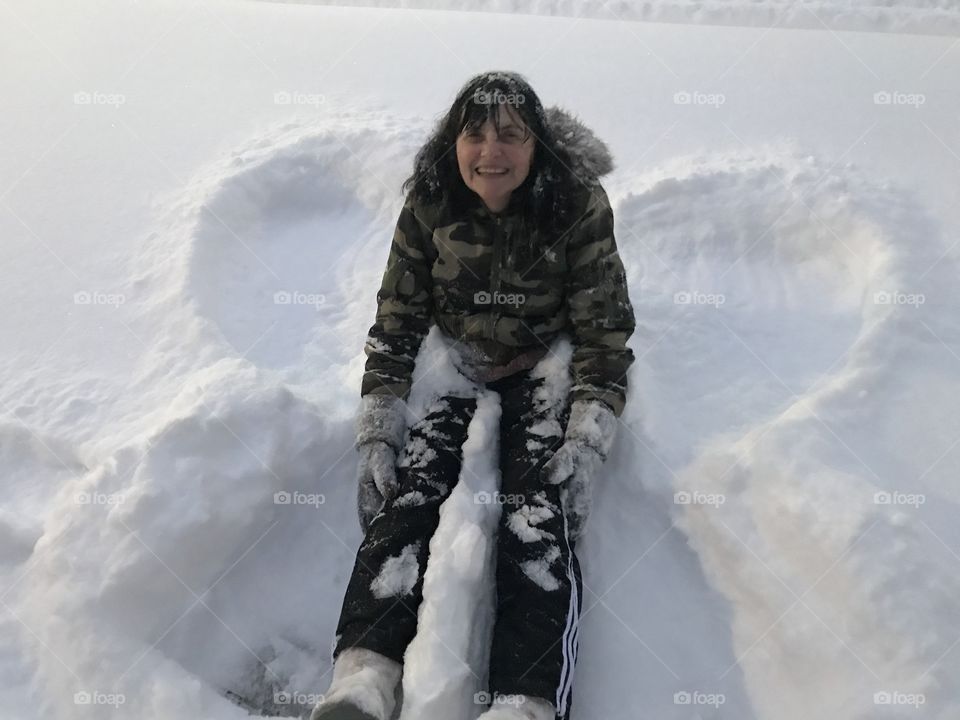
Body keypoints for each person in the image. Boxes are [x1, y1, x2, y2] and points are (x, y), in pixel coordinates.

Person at [311, 71, 636, 720]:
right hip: (454, 363)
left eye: (512, 135)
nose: (492, 151)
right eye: (476, 134)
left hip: (542, 367)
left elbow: (605, 333)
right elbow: (397, 322)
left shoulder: (576, 204)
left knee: (535, 516)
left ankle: (527, 701)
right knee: (411, 495)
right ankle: (363, 679)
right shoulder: (430, 201)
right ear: (453, 142)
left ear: (537, 144)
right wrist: (379, 422)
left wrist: (587, 436)